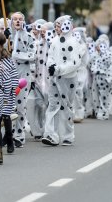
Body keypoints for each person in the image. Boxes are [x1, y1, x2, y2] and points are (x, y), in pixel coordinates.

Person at [42, 15, 83, 146]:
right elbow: (50, 57)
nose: (57, 28)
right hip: (55, 79)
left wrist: (59, 69)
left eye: (59, 25)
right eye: (56, 26)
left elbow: (75, 62)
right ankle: (51, 135)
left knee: (67, 106)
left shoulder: (73, 42)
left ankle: (68, 136)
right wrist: (51, 67)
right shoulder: (54, 41)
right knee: (52, 105)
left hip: (68, 79)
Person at [9, 12, 36, 147]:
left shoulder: (29, 37)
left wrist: (17, 55)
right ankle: (7, 134)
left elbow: (32, 55)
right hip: (7, 75)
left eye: (20, 19)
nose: (18, 22)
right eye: (15, 19)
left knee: (20, 106)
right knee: (6, 106)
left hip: (23, 76)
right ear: (11, 21)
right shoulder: (6, 37)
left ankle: (19, 136)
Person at [0, 32, 18, 153]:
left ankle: (9, 139)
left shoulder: (5, 58)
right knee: (2, 116)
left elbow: (13, 74)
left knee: (5, 116)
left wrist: (12, 87)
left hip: (4, 90)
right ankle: (4, 140)